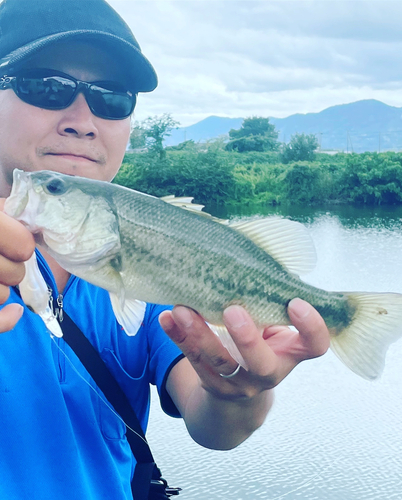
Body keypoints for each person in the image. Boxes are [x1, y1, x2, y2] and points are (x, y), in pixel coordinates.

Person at [0, 0, 330, 498]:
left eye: (112, 98)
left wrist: (240, 394)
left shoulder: (148, 267)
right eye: (46, 87)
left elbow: (214, 428)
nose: (82, 120)